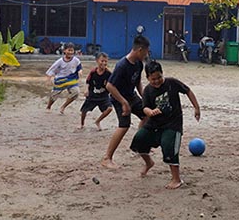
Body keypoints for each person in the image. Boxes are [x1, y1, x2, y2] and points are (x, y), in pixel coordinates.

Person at [130, 60, 201, 189]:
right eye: (153, 79)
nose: (156, 81)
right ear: (147, 78)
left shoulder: (171, 83)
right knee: (139, 140)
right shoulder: (147, 90)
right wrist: (150, 112)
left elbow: (188, 91)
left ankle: (176, 179)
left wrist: (196, 108)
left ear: (162, 74)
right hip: (154, 124)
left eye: (159, 78)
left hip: (172, 124)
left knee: (169, 146)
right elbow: (144, 107)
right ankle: (148, 163)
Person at [101, 35, 150, 169]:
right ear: (140, 50)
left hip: (132, 96)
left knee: (146, 115)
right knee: (124, 125)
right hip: (118, 98)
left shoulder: (139, 63)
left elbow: (138, 82)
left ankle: (139, 144)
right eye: (146, 51)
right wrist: (123, 102)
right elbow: (110, 86)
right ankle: (107, 158)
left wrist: (145, 98)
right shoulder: (122, 65)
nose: (147, 54)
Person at [45, 42, 83, 114]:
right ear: (64, 51)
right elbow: (51, 70)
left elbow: (79, 67)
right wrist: (48, 79)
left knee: (76, 92)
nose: (70, 52)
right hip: (60, 80)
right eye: (69, 50)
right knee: (54, 95)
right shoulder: (59, 61)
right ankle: (49, 106)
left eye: (72, 50)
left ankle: (63, 106)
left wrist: (80, 71)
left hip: (71, 79)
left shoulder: (76, 60)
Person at [80, 52, 113, 131]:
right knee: (84, 111)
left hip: (103, 96)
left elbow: (112, 84)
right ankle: (82, 124)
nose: (104, 63)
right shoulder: (93, 72)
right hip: (92, 95)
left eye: (106, 61)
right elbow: (88, 82)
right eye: (102, 61)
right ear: (97, 61)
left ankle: (98, 121)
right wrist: (87, 90)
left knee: (109, 108)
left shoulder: (109, 73)